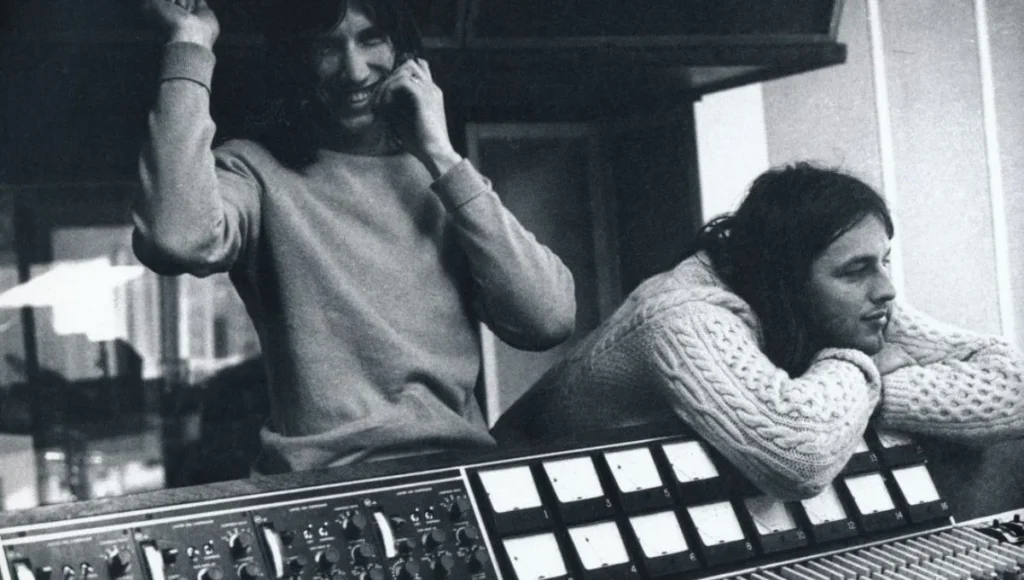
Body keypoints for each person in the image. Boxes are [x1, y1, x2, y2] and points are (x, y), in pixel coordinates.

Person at [132, 0, 576, 474]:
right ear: (297, 59)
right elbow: (174, 239)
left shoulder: (442, 180)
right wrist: (191, 42)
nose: (355, 70)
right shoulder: (256, 171)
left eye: (371, 38)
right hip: (319, 483)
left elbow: (547, 319)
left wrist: (441, 155)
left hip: (457, 471)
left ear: (403, 51)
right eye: (327, 47)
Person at [492, 162, 1024, 501]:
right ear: (786, 278)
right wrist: (858, 369)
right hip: (532, 512)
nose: (886, 289)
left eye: (884, 260)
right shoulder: (683, 315)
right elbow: (799, 455)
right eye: (857, 270)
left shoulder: (849, 300)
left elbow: (1013, 387)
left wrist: (875, 388)